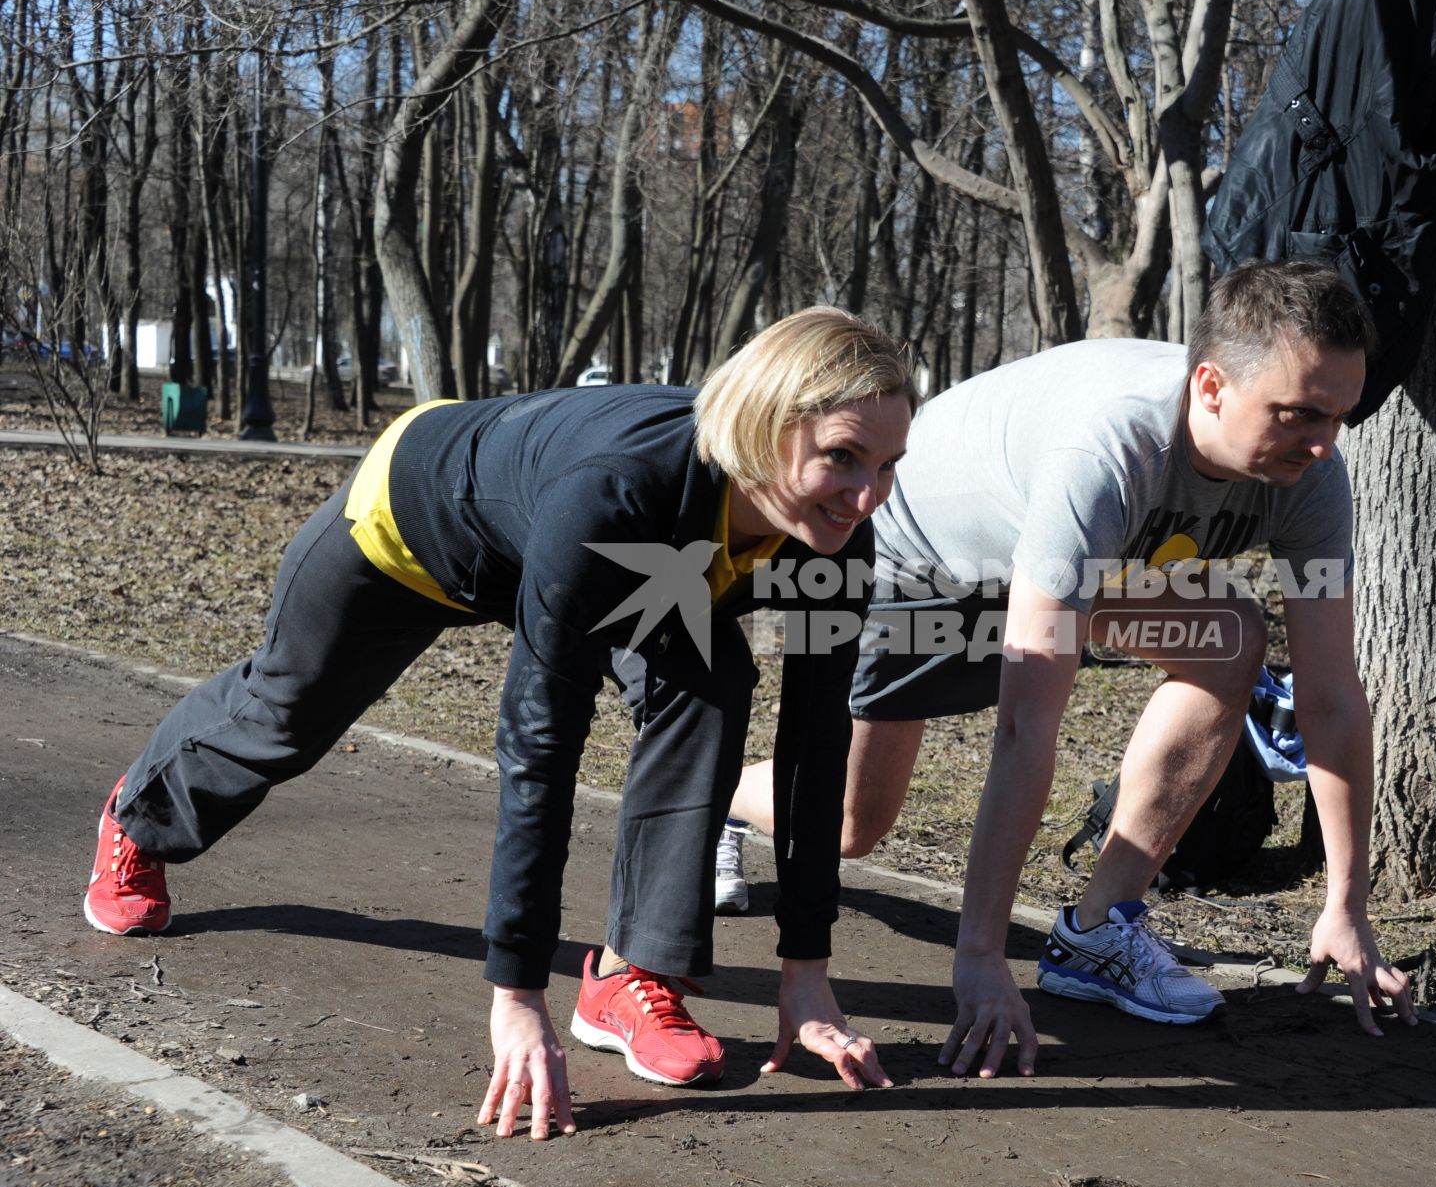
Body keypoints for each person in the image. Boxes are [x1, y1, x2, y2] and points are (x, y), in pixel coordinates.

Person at [83, 307, 915, 1137]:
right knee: (284, 715)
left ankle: (632, 976)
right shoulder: (619, 489)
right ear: (765, 426)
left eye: (886, 464)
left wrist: (806, 971)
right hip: (421, 519)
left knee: (710, 680)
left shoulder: (839, 536)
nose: (866, 493)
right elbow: (540, 741)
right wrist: (516, 995)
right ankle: (141, 819)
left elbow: (814, 744)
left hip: (609, 555)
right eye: (841, 456)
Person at [729, 261, 1418, 1080]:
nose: (1322, 442)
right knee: (851, 824)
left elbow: (1332, 699)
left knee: (1229, 636)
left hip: (1080, 562)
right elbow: (1027, 726)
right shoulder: (1108, 449)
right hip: (925, 563)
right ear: (1210, 386)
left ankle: (1098, 928)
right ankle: (716, 801)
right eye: (1300, 413)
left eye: (1339, 416)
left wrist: (1346, 904)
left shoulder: (1312, 477)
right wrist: (979, 953)